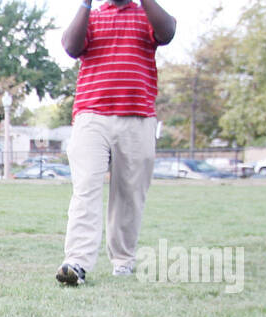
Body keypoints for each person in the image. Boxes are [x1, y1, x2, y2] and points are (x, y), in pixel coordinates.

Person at [57, 0, 177, 286]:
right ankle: (77, 262)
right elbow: (71, 47)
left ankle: (123, 260)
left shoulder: (145, 15)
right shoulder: (93, 17)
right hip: (92, 116)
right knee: (85, 188)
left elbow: (168, 32)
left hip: (137, 116)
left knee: (130, 194)